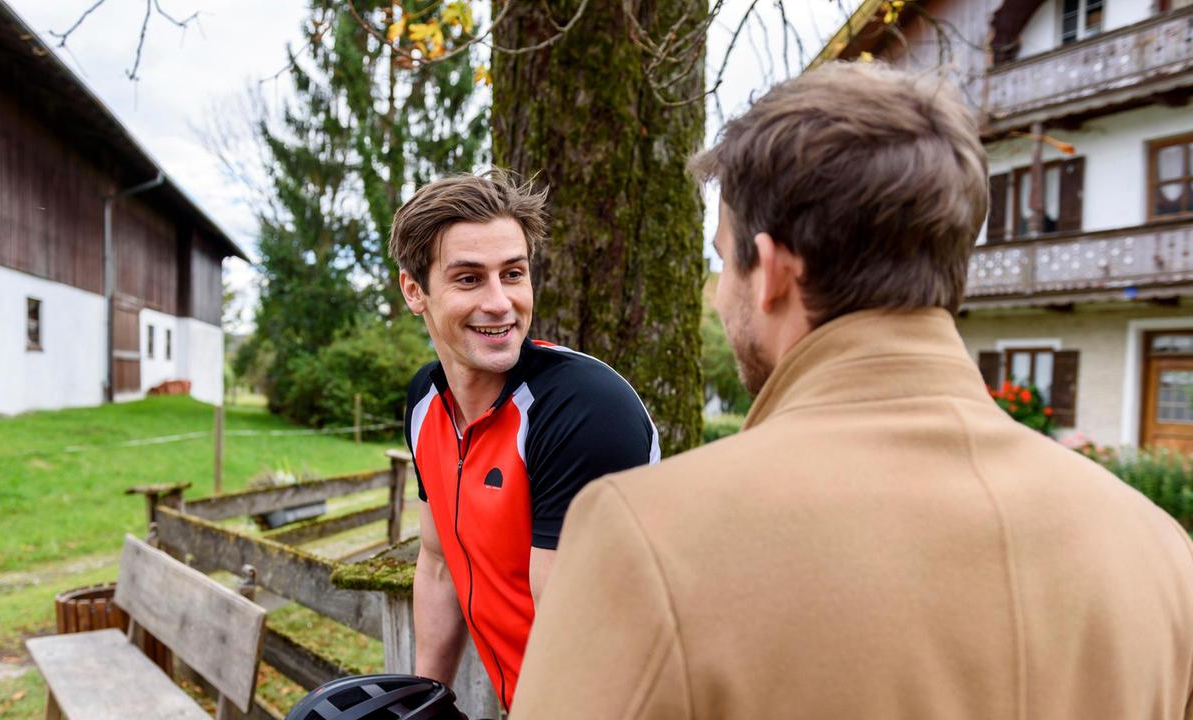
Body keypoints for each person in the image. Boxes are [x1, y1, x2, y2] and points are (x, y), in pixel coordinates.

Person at [510, 62, 1193, 719]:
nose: (720, 294)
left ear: (772, 270)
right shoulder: (1161, 552)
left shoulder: (647, 535)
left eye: (723, 261)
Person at [389, 171, 660, 712]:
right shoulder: (426, 401)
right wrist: (425, 702)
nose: (500, 303)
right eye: (469, 279)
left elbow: (577, 637)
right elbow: (439, 561)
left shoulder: (582, 408)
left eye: (512, 273)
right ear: (414, 290)